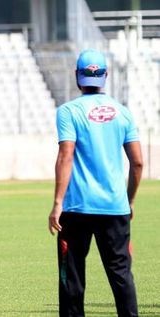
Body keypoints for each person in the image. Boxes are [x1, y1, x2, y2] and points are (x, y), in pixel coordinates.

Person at [48, 49, 143, 317]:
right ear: (106, 76)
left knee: (72, 278)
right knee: (121, 276)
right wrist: (130, 199)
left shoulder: (68, 111)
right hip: (115, 207)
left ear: (77, 77)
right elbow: (137, 163)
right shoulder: (123, 113)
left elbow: (66, 155)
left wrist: (57, 204)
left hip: (76, 208)